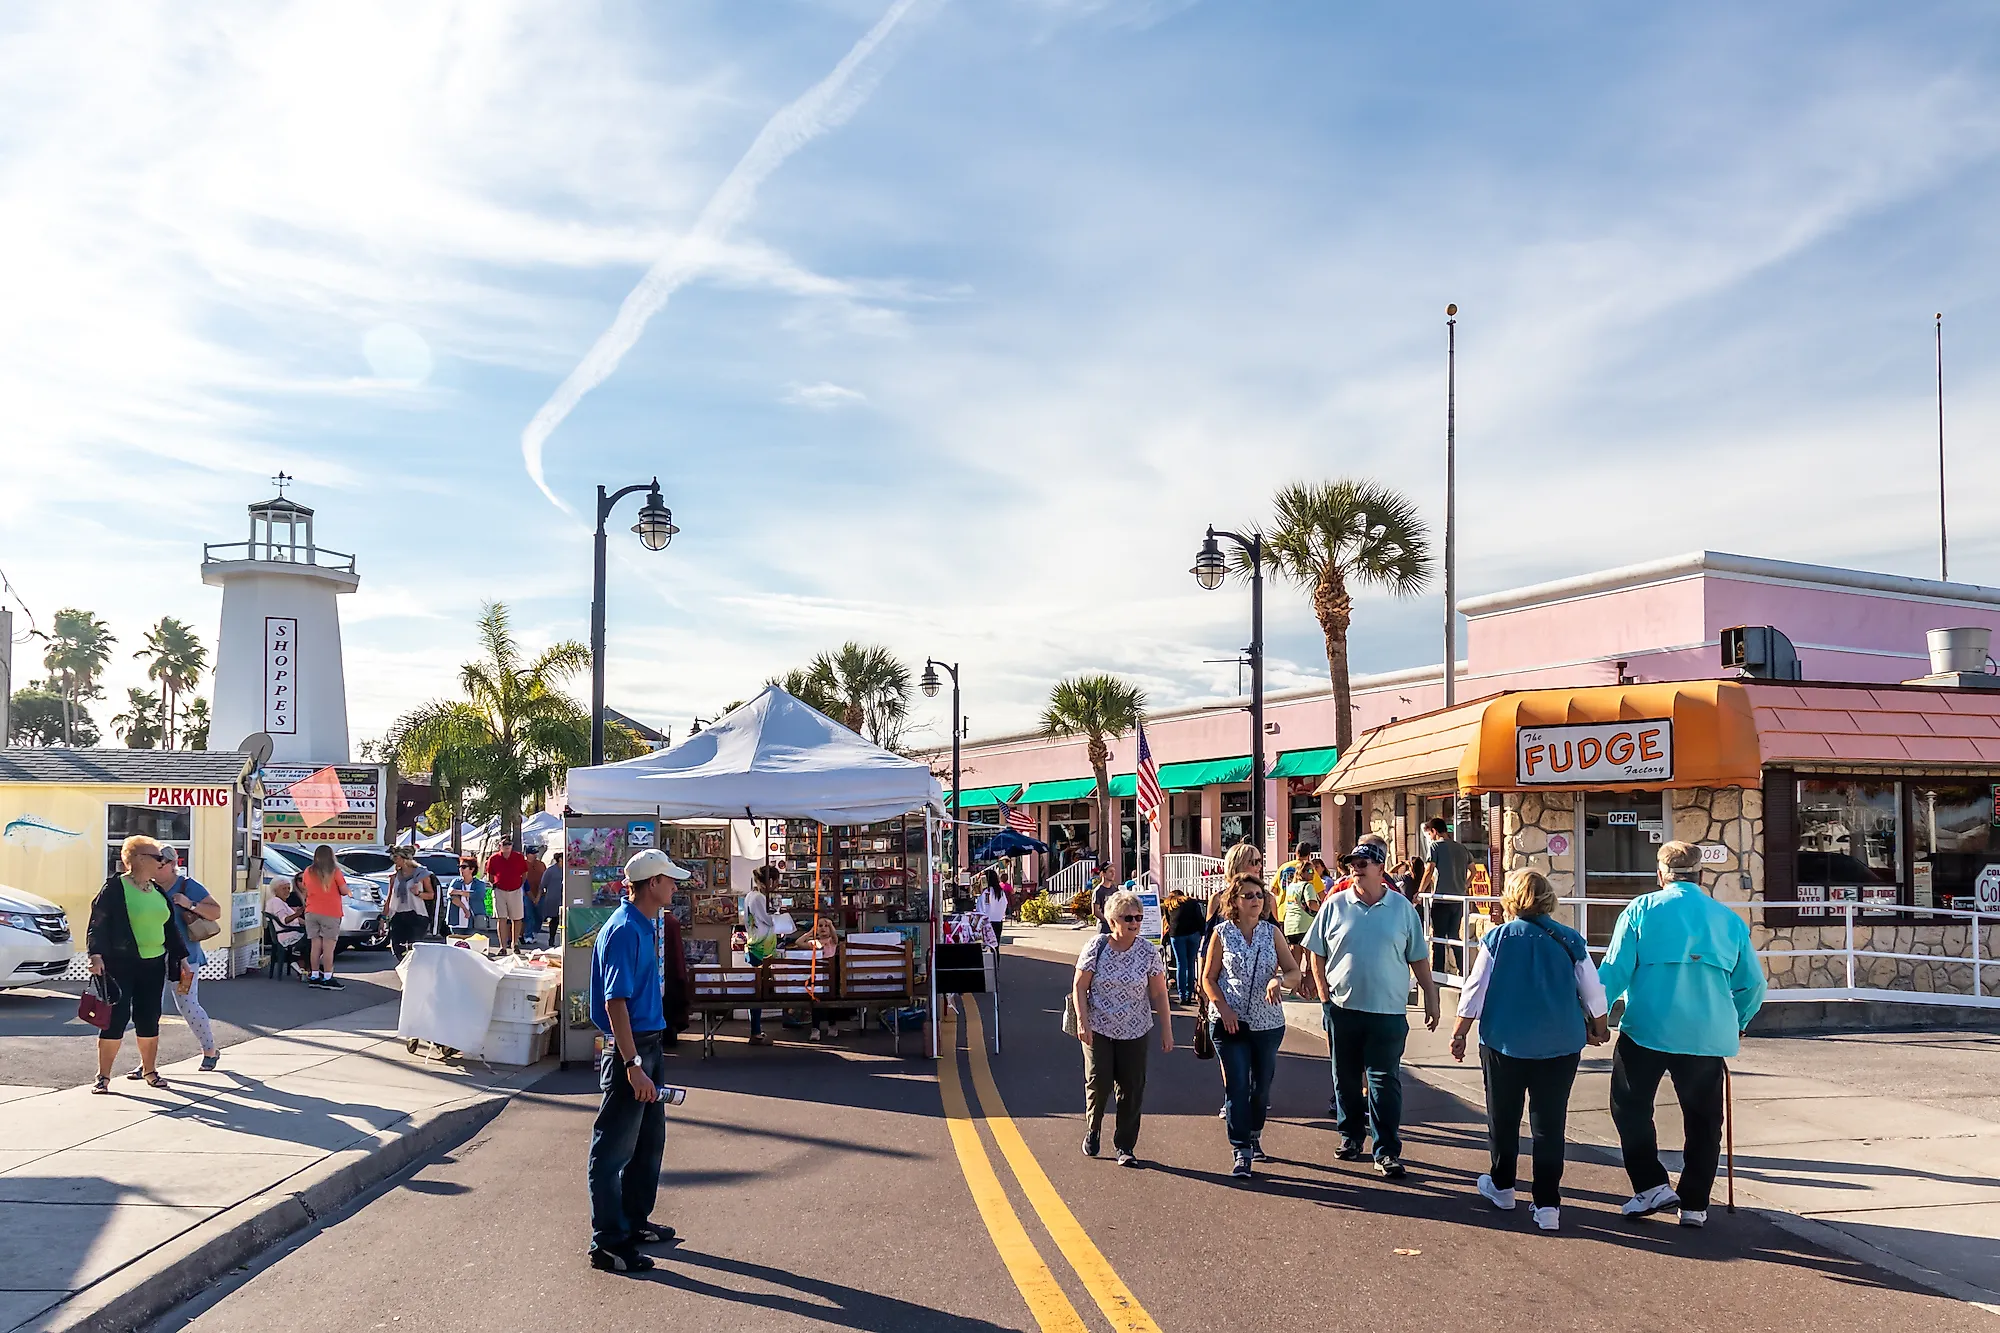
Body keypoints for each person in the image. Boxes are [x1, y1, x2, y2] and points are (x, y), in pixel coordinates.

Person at [1598, 840, 1767, 1229]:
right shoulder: (1727, 920)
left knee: (1630, 1107)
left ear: (1660, 874)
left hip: (1647, 1030)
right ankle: (1694, 1204)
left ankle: (1652, 1185)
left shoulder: (1641, 909)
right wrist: (1736, 1021)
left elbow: (1614, 972)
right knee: (1704, 1120)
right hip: (1706, 1035)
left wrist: (1595, 1015)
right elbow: (1754, 986)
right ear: (1701, 876)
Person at [1450, 869, 1610, 1231]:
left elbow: (1474, 990)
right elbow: (1593, 991)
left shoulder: (1498, 938)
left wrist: (1459, 1032)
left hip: (1504, 1042)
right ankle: (1548, 1205)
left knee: (1503, 1119)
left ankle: (1503, 1186)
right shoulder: (1571, 939)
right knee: (1549, 1126)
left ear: (1510, 899)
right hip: (1560, 1045)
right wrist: (1599, 1029)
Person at [1302, 841, 1440, 1179]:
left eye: (1364, 862)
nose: (1356, 867)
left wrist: (1432, 996)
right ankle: (1351, 1136)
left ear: (1381, 868)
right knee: (1346, 1079)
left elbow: (1418, 957)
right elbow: (1315, 953)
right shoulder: (1334, 905)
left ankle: (1387, 1150)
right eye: (1353, 862)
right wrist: (1323, 995)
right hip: (1342, 1008)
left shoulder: (1402, 909)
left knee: (1383, 1081)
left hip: (1388, 1011)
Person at [586, 847, 691, 1273]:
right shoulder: (627, 929)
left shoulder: (643, 924)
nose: (674, 886)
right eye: (669, 880)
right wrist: (632, 1065)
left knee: (649, 1143)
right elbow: (615, 1003)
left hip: (647, 1044)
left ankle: (633, 1221)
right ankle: (608, 1242)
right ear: (652, 884)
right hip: (633, 1051)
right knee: (612, 1152)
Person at [1205, 865, 1305, 1178]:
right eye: (1248, 896)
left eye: (1259, 895)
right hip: (1230, 1024)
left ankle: (1254, 1134)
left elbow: (1294, 972)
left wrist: (1279, 980)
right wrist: (1224, 1009)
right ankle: (1241, 1150)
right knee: (1236, 1085)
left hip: (1267, 1024)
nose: (1255, 900)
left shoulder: (1271, 932)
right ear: (1233, 900)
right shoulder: (1222, 934)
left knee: (1260, 1088)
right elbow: (1208, 978)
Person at [1071, 887, 1172, 1167]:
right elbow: (1080, 986)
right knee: (1099, 1082)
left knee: (1132, 1087)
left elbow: (1159, 993)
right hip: (1098, 1026)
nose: (1135, 923)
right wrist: (1083, 1021)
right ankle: (1093, 1127)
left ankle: (1125, 1145)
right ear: (1113, 920)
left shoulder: (1148, 952)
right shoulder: (1097, 946)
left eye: (1138, 917)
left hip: (1136, 1028)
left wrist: (1167, 1029)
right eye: (1128, 918)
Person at [85, 836, 192, 1092]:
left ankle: (150, 1070)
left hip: (153, 965)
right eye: (158, 858)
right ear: (139, 859)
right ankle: (103, 1077)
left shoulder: (156, 891)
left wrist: (183, 958)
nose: (163, 862)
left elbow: (170, 929)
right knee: (116, 1019)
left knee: (149, 1018)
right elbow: (98, 923)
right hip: (120, 964)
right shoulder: (114, 888)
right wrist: (95, 955)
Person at [152, 847, 222, 1072]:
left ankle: (209, 1050)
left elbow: (215, 912)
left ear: (172, 865)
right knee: (149, 1008)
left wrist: (189, 904)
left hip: (185, 957)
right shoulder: (146, 885)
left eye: (160, 865)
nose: (156, 869)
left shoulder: (187, 886)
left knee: (187, 1005)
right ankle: (146, 1062)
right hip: (152, 955)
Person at [1418, 818, 1469, 973]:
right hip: (1459, 899)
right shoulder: (1461, 848)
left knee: (1438, 937)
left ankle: (1438, 973)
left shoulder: (1435, 846)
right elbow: (1472, 870)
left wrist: (1420, 892)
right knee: (1454, 937)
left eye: (1429, 833)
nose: (1429, 837)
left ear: (1434, 831)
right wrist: (1465, 885)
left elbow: (1429, 869)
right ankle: (1464, 970)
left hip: (1442, 898)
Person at [298, 844, 347, 990]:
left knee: (315, 945)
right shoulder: (335, 871)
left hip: (311, 911)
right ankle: (327, 977)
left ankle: (314, 976)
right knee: (328, 947)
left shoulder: (308, 871)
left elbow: (305, 887)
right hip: (330, 912)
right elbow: (344, 891)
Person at [742, 866, 779, 1046]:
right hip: (761, 948)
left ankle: (756, 1029)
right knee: (759, 990)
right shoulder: (759, 898)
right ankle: (755, 1031)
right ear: (770, 881)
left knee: (757, 989)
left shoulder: (750, 896)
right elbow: (771, 919)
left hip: (755, 944)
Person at [383, 846, 439, 960]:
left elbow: (431, 895)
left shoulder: (422, 875)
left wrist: (418, 893)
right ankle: (405, 967)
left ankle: (413, 971)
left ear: (405, 859)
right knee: (398, 948)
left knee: (414, 948)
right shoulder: (394, 877)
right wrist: (383, 917)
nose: (394, 860)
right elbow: (389, 897)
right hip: (398, 915)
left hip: (417, 915)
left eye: (396, 857)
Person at [803, 915, 847, 1041]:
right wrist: (811, 932)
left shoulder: (831, 942)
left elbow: (835, 937)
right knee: (816, 1001)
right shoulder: (814, 943)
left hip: (830, 975)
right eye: (820, 926)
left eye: (826, 926)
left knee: (831, 1001)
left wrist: (831, 924)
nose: (823, 928)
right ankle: (815, 1028)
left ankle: (832, 1025)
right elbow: (799, 942)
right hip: (817, 975)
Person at [486, 834, 529, 953]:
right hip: (500, 891)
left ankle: (514, 944)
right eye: (504, 844)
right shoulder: (494, 859)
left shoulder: (519, 857)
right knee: (502, 919)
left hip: (515, 890)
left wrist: (520, 884)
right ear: (500, 845)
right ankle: (503, 946)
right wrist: (494, 884)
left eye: (509, 844)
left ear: (512, 845)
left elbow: (525, 873)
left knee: (517, 918)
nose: (507, 846)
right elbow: (490, 875)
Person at [1165, 889, 1207, 1006]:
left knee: (1181, 964)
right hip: (1193, 933)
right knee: (1190, 964)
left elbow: (1168, 921)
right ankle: (1190, 994)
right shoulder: (1192, 902)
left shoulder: (1169, 904)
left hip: (1177, 934)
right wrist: (1202, 932)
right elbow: (1199, 918)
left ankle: (1182, 996)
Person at [264, 880, 307, 976]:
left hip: (285, 932)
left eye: (288, 888)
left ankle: (303, 967)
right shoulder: (277, 902)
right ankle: (299, 964)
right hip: (286, 934)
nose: (287, 891)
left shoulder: (279, 902)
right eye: (283, 888)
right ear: (275, 890)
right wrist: (297, 914)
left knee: (313, 936)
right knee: (313, 940)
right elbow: (284, 920)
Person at [521, 843, 549, 949]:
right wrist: (532, 897)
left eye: (536, 853)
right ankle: (528, 935)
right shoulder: (523, 864)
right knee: (529, 915)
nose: (535, 855)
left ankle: (535, 932)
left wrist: (538, 895)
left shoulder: (541, 864)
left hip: (540, 893)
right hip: (527, 894)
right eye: (532, 854)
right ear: (527, 854)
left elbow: (544, 880)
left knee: (539, 915)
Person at [976, 868, 1010, 942]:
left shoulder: (987, 892)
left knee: (987, 944)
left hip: (987, 921)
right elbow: (1005, 904)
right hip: (998, 920)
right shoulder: (1000, 892)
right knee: (995, 945)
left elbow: (981, 908)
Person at [540, 850, 565, 946]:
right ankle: (552, 939)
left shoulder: (566, 870)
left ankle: (563, 940)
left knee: (563, 919)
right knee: (554, 919)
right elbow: (543, 884)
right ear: (559, 860)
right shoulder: (550, 871)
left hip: (563, 898)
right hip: (553, 898)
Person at [1089, 864, 1117, 933]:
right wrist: (1108, 921)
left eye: (1114, 871)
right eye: (1110, 871)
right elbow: (1096, 911)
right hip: (1104, 927)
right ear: (1103, 874)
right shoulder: (1098, 891)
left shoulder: (1114, 889)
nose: (1113, 874)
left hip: (1114, 926)